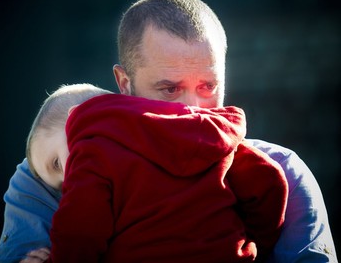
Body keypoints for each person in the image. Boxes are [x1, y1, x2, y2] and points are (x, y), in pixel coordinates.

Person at [0, 0, 338, 263]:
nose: (192, 108)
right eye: (169, 89)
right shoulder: (49, 174)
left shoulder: (285, 169)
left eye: (208, 86)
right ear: (124, 84)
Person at [24, 83, 288, 262]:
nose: (67, 181)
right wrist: (258, 240)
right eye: (60, 186)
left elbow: (79, 235)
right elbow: (270, 180)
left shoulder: (92, 152)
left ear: (74, 118)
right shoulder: (204, 133)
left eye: (57, 164)